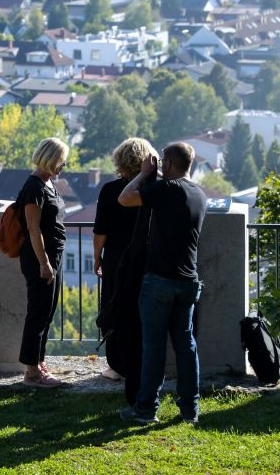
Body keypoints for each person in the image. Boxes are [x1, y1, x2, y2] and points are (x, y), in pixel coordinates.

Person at [117, 142, 207, 424]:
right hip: (188, 281)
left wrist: (144, 173)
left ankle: (145, 408)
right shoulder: (199, 194)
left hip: (159, 281)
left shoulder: (167, 189)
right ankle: (190, 409)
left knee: (153, 348)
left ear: (167, 163)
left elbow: (125, 198)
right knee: (186, 345)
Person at [93, 138, 158, 400]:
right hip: (146, 257)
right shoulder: (154, 188)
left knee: (114, 307)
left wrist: (97, 257)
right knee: (142, 312)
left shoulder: (109, 190)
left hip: (117, 259)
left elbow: (101, 230)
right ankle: (143, 365)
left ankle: (117, 365)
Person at [17, 137, 70, 387]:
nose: (63, 165)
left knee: (46, 313)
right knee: (38, 314)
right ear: (50, 159)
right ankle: (31, 372)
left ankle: (38, 362)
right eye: (61, 161)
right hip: (40, 260)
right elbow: (33, 228)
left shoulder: (48, 184)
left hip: (51, 259)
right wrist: (44, 262)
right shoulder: (34, 187)